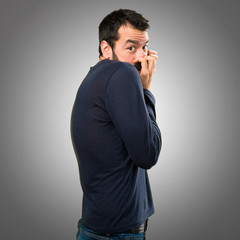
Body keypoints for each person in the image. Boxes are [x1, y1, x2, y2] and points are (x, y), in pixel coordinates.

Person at [71, 9, 162, 240]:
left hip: (96, 227)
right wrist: (146, 91)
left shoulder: (94, 78)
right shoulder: (122, 72)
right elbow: (148, 154)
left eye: (144, 47)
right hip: (117, 235)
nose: (141, 57)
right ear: (106, 48)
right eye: (131, 48)